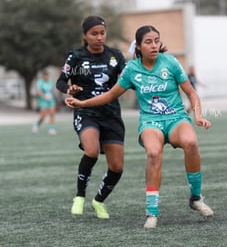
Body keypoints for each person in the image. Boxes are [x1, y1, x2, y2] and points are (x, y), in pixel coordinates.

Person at [65, 25, 214, 228]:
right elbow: (110, 95)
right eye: (148, 42)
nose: (154, 45)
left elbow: (192, 93)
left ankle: (195, 198)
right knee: (153, 153)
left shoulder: (170, 62)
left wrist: (198, 115)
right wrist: (82, 103)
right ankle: (152, 213)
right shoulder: (132, 69)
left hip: (176, 118)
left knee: (191, 143)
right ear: (139, 47)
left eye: (156, 40)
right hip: (150, 121)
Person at [56, 15, 126, 219]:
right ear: (85, 36)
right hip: (86, 111)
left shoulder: (115, 56)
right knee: (92, 150)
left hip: (111, 114)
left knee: (117, 166)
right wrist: (70, 89)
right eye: (94, 34)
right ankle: (79, 196)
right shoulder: (76, 57)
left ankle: (99, 201)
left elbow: (129, 77)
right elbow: (60, 82)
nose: (99, 37)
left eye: (102, 33)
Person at [32, 70, 57, 135]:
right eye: (45, 75)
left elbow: (51, 91)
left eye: (47, 75)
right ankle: (36, 125)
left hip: (51, 100)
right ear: (43, 76)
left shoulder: (50, 82)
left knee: (52, 114)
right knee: (43, 116)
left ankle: (51, 129)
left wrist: (51, 97)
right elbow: (39, 92)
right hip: (43, 101)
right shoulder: (40, 82)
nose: (46, 77)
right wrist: (44, 97)